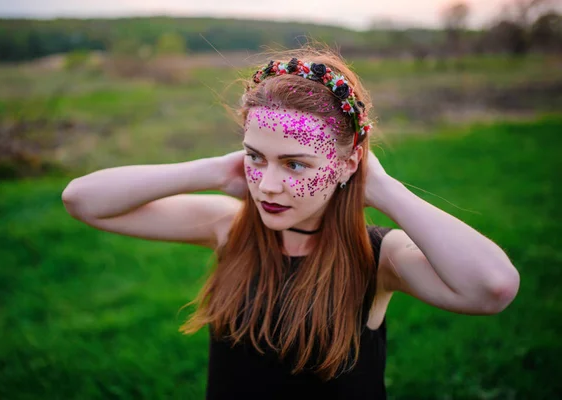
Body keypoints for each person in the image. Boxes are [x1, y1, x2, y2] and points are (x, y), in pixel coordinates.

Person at [61, 46, 520, 399]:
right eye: (256, 158)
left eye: (295, 165)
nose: (267, 187)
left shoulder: (380, 256)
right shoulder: (230, 227)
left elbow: (492, 287)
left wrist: (381, 189)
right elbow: (83, 200)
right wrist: (216, 171)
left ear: (347, 163)